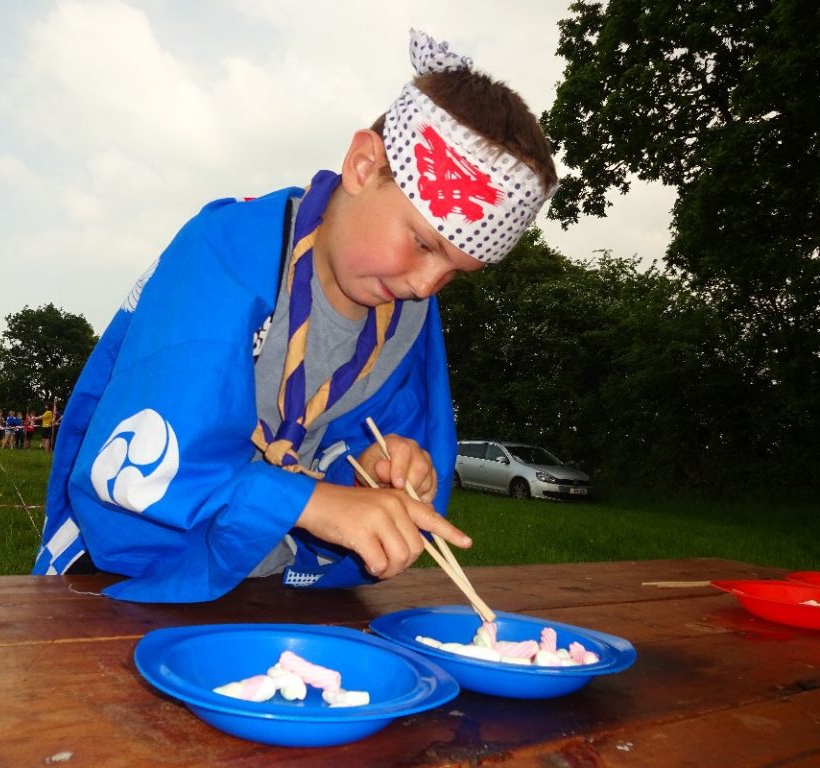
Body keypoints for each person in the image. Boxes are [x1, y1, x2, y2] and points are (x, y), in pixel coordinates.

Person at [32, 30, 557, 604]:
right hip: (123, 580)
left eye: (456, 272)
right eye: (424, 244)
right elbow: (148, 461)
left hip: (262, 583)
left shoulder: (405, 314)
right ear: (363, 165)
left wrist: (377, 470)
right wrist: (310, 502)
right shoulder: (225, 254)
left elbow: (351, 458)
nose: (426, 285)